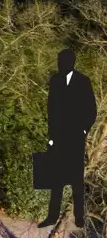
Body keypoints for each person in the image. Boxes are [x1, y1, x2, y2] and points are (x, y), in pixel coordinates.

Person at [42, 49, 96, 231]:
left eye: (62, 61)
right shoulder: (55, 81)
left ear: (70, 62)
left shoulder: (83, 81)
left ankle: (78, 216)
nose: (59, 64)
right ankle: (51, 216)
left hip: (75, 137)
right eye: (59, 61)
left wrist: (82, 130)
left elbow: (91, 110)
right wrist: (51, 137)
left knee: (76, 179)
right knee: (56, 178)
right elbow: (51, 110)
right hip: (58, 137)